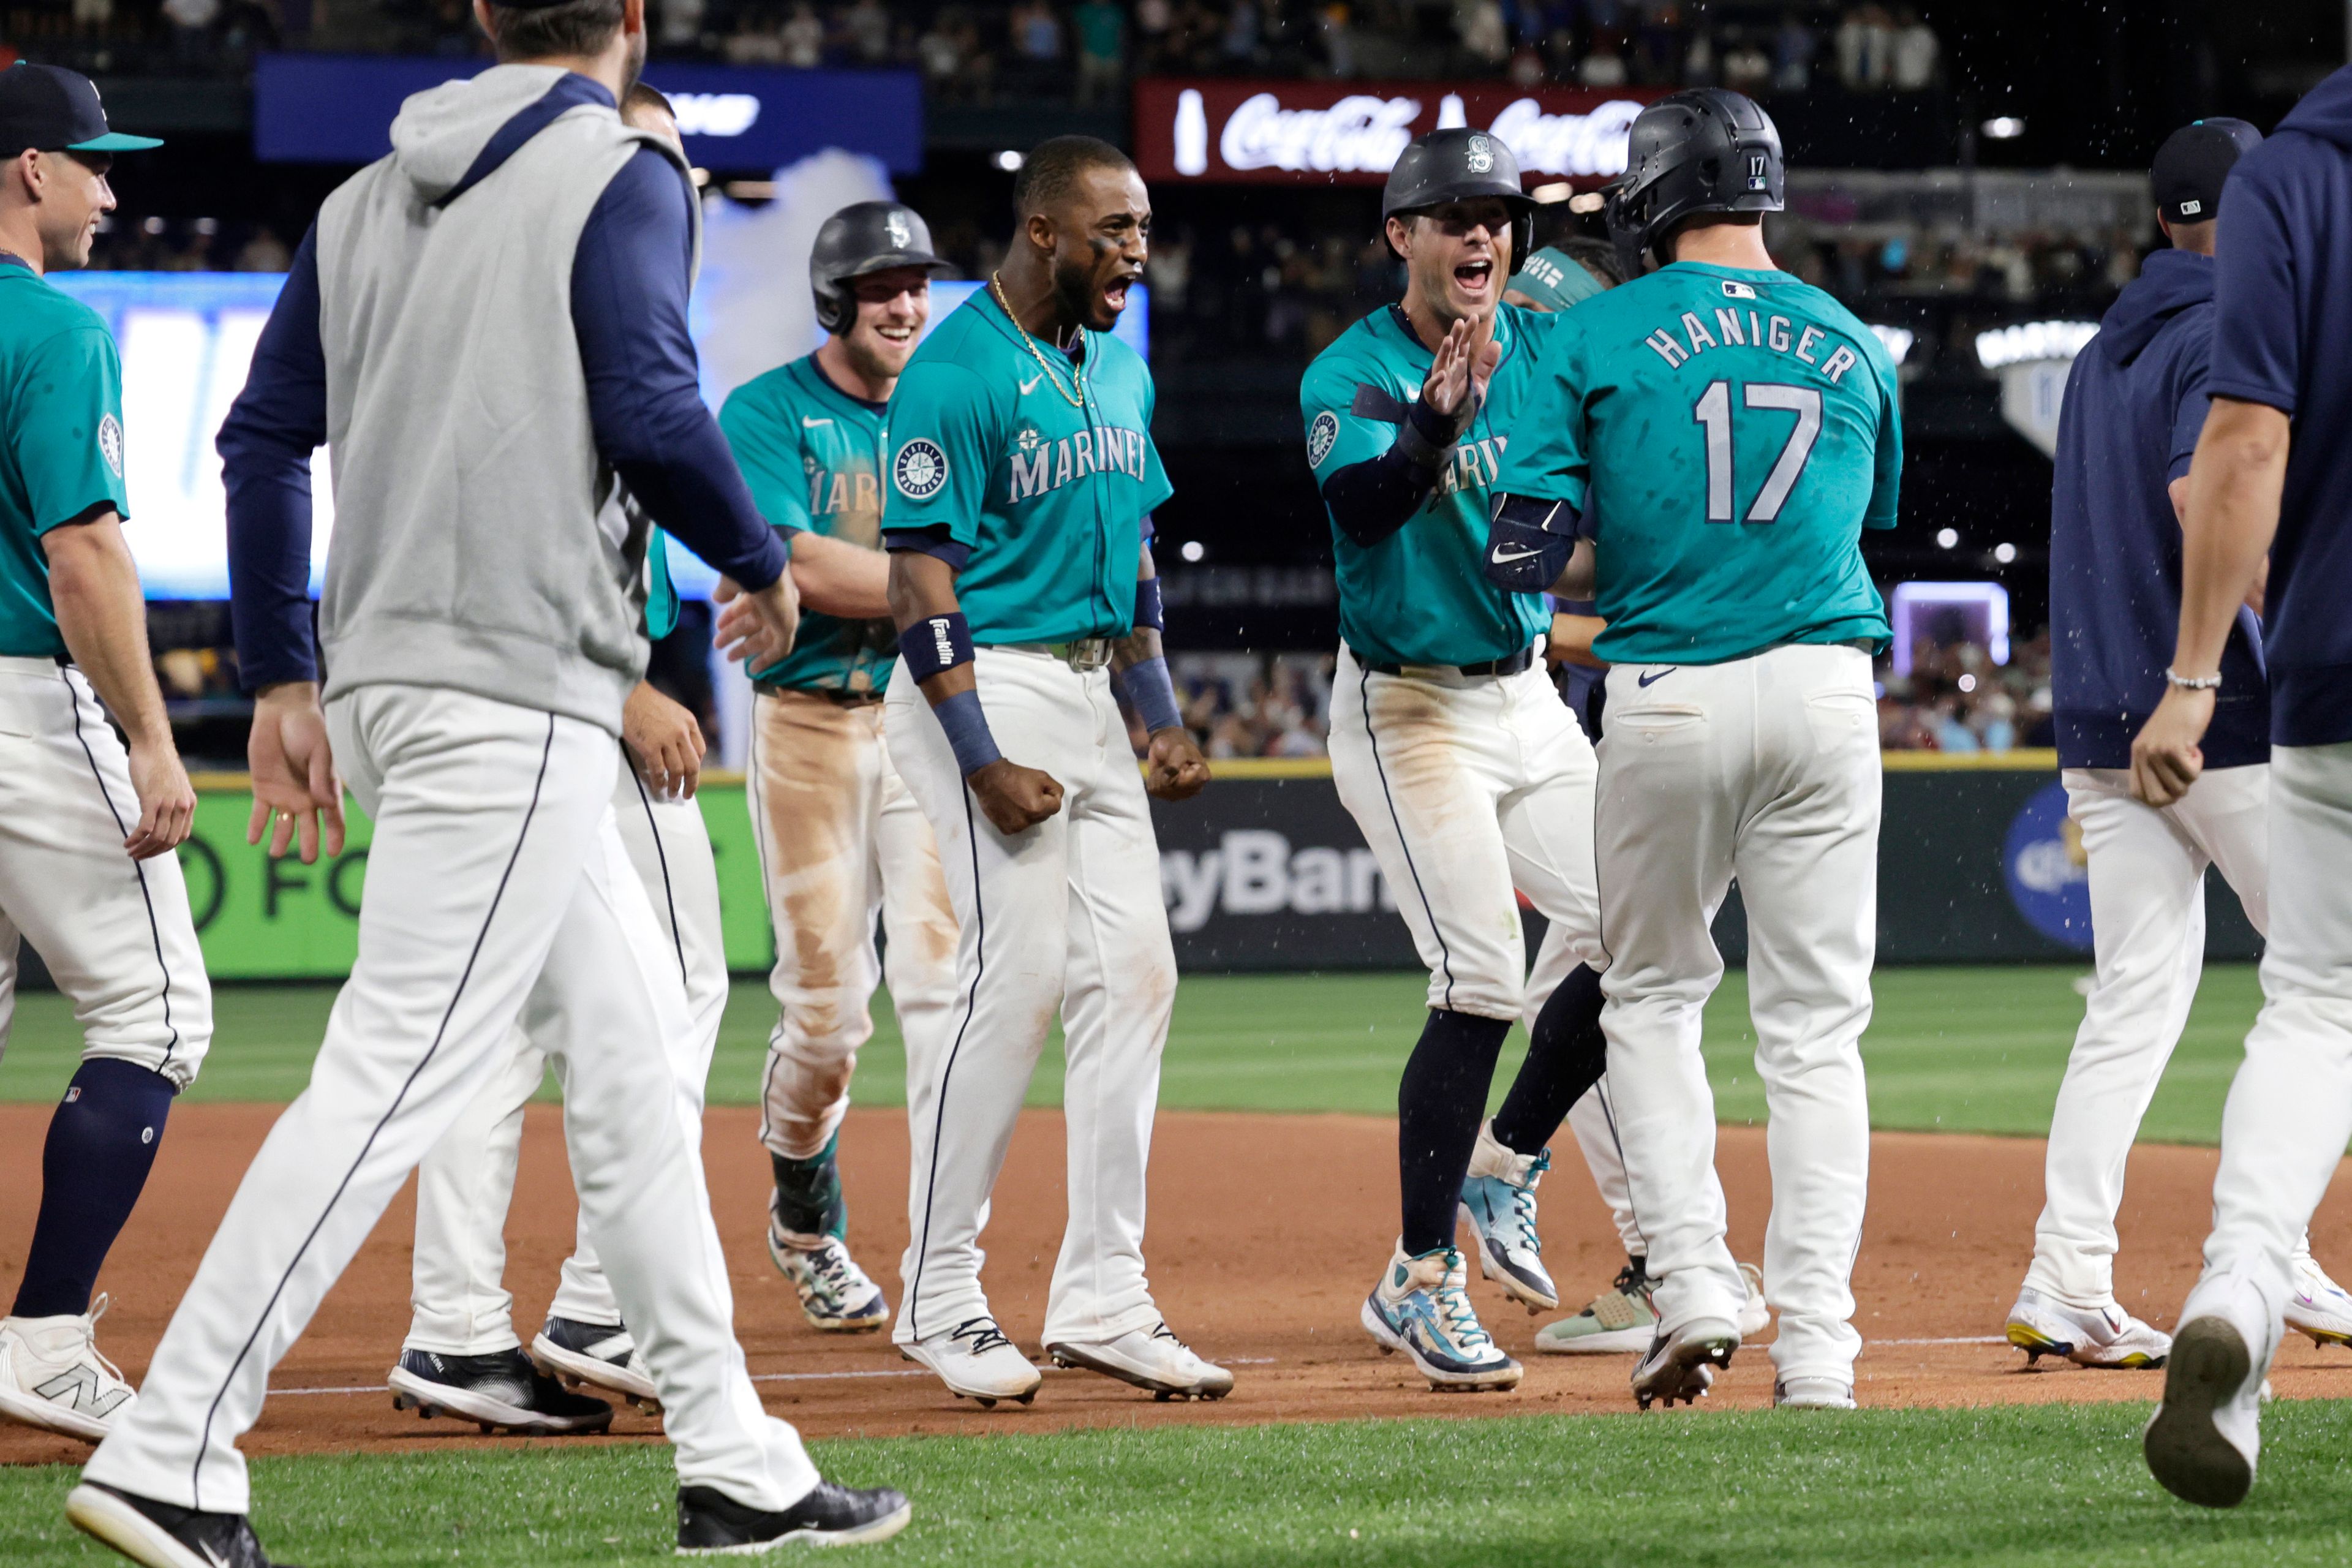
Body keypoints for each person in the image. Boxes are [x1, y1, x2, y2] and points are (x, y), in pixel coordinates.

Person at [64, 5, 911, 1562]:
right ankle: (174, 1440)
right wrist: (752, 559)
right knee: (395, 1067)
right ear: (633, 21)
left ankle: (735, 1457)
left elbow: (262, 442)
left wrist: (280, 672)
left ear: (479, 16)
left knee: (636, 1046)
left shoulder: (355, 198)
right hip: (513, 682)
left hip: (397, 674)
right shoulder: (623, 164)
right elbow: (655, 407)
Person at [1490, 88, 1901, 1412]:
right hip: (1830, 688)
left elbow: (1524, 554)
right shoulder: (1852, 339)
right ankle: (1824, 1350)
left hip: (1671, 691)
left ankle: (1696, 1278)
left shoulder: (1599, 325)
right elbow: (1839, 523)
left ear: (1656, 196)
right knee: (1817, 1035)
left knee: (1653, 996)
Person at [380, 82, 743, 1436]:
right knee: (678, 980)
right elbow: (544, 515)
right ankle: (599, 1296)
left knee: (491, 1020)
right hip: (557, 699)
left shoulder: (466, 280)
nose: (668, 186)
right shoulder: (581, 296)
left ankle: (457, 1324)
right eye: (656, 160)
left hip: (452, 688)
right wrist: (635, 677)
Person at [880, 134, 1231, 1406]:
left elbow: (1134, 555)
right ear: (1043, 231)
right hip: (985, 680)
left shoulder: (1118, 371)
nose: (1136, 250)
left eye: (1142, 227)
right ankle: (936, 1287)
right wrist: (978, 755)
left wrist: (1158, 713)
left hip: (1087, 685)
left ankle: (1101, 1293)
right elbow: (919, 574)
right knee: (1013, 974)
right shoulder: (958, 370)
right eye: (1115, 228)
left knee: (1137, 975)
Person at [2013, 118, 2352, 1376]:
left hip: (2104, 720)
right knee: (2330, 992)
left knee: (2135, 1010)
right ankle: (2266, 1249)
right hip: (2222, 719)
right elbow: (2203, 490)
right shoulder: (2221, 322)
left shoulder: (2110, 340)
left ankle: (2069, 1277)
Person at [1297, 130, 1615, 1395]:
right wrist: (1432, 429)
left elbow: (1580, 482)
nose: (1482, 231)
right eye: (1452, 214)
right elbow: (1367, 506)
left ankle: (1507, 1158)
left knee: (1643, 933)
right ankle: (1420, 1280)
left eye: (1497, 212)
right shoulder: (1353, 367)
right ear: (1402, 236)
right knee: (1482, 974)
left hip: (1526, 689)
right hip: (1407, 704)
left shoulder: (1542, 349)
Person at [2134, 64, 2352, 1509]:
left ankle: (2238, 1293)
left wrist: (2196, 670)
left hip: (2339, 664)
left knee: (2320, 1003)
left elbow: (2248, 439)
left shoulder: (2294, 172)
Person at [1494, 238, 1773, 1362]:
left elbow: (1556, 589)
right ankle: (1654, 1251)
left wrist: (1606, 630)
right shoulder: (1526, 405)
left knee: (1613, 971)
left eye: (1540, 312)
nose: (1527, 326)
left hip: (1621, 727)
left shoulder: (1602, 413)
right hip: (1515, 715)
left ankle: (1663, 1257)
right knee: (1588, 974)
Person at [718, 199, 959, 1337]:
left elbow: (991, 549)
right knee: (827, 1017)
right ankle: (805, 1221)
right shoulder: (769, 410)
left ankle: (945, 1261)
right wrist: (948, 587)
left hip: (922, 714)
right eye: (881, 287)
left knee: (944, 989)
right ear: (836, 300)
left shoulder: (949, 401)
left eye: (915, 283)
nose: (907, 303)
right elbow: (794, 561)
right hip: (807, 723)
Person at [0, 63, 194, 1447]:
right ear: (28, 172)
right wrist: (150, 733)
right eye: (92, 164)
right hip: (18, 695)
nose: (109, 193)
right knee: (159, 1010)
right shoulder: (54, 334)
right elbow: (82, 551)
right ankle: (50, 1336)